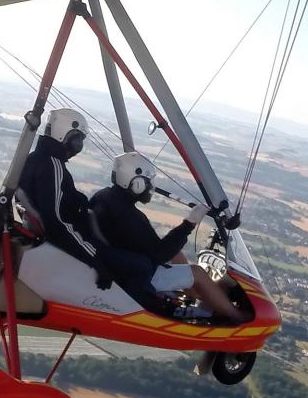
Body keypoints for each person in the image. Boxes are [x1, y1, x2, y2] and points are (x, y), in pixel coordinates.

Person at [89, 152, 250, 322]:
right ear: (136, 183)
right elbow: (160, 254)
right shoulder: (128, 215)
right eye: (148, 180)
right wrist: (189, 223)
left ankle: (211, 297)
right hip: (135, 273)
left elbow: (147, 244)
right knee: (198, 272)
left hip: (123, 257)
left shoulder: (105, 196)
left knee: (178, 256)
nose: (151, 186)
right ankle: (237, 317)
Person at [15, 107, 103, 268]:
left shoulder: (34, 158)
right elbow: (55, 222)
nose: (77, 148)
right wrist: (95, 258)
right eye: (77, 141)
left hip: (57, 239)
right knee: (138, 266)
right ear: (65, 135)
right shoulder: (52, 165)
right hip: (70, 241)